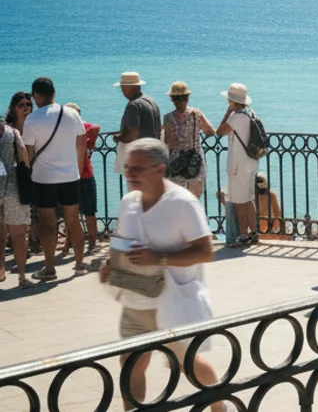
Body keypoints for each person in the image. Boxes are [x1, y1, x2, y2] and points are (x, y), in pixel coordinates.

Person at [99, 138, 224, 412]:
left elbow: (205, 251)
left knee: (188, 364)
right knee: (130, 362)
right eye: (128, 167)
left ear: (159, 169)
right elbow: (123, 240)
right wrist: (110, 263)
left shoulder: (183, 203)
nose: (129, 174)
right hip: (136, 300)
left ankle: (220, 408)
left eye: (137, 169)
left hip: (173, 301)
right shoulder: (128, 203)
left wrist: (160, 258)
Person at [22, 77, 88, 281]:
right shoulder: (71, 114)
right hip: (70, 176)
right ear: (54, 93)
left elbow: (28, 152)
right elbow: (81, 143)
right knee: (73, 220)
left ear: (37, 95)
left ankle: (49, 268)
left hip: (44, 179)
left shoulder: (32, 119)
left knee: (47, 223)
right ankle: (79, 263)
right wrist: (76, 168)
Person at [214, 83, 260, 247]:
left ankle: (243, 234)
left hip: (238, 165)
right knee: (248, 198)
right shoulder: (250, 113)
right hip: (251, 162)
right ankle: (254, 232)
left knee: (239, 201)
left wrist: (227, 113)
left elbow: (219, 131)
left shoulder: (236, 117)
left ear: (230, 100)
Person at [162, 82, 216, 199]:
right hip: (194, 157)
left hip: (176, 160)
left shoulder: (168, 118)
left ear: (172, 99)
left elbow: (168, 141)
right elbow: (211, 132)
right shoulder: (197, 114)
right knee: (194, 197)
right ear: (187, 98)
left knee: (176, 197)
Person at [0, 115, 32, 288]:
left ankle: (1, 269)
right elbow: (24, 157)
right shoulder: (13, 133)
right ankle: (21, 276)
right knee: (18, 235)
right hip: (13, 189)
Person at [64, 103, 99, 252]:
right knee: (77, 213)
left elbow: (95, 128)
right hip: (75, 175)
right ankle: (74, 242)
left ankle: (89, 241)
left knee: (84, 212)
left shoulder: (79, 130)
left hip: (78, 175)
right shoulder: (78, 131)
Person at [114, 72, 162, 143]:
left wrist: (118, 138)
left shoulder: (133, 105)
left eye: (122, 87)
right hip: (155, 147)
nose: (122, 91)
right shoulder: (152, 101)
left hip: (140, 150)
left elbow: (132, 135)